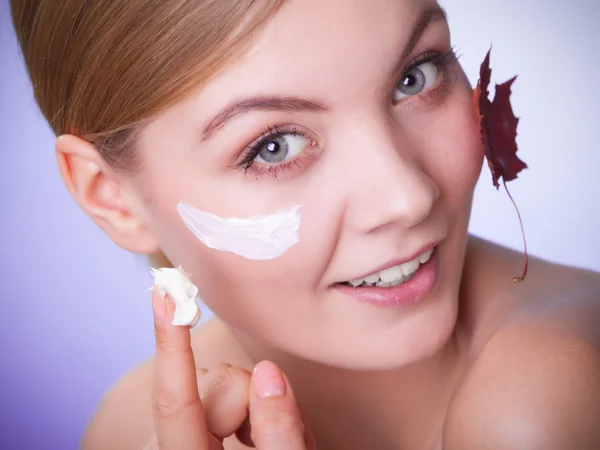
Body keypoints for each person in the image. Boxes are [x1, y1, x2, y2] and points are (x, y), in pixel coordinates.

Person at [10, 0, 600, 448]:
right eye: (275, 146)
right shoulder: (132, 426)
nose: (407, 197)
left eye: (414, 76)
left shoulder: (539, 402)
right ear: (111, 197)